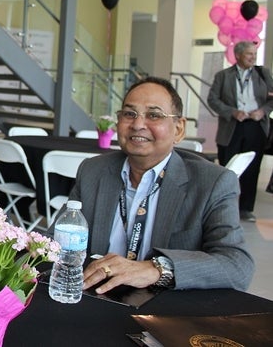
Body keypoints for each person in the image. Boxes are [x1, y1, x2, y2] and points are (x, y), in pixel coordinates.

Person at [70, 77, 253, 296]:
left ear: (178, 129)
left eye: (154, 115)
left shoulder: (213, 182)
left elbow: (238, 266)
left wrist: (157, 268)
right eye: (129, 114)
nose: (138, 124)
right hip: (97, 299)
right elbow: (58, 241)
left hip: (164, 310)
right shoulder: (93, 171)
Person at [207, 40, 273, 222]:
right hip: (232, 126)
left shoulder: (263, 74)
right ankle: (225, 207)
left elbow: (272, 98)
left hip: (255, 125)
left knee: (252, 168)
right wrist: (232, 112)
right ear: (238, 55)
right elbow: (213, 99)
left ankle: (245, 209)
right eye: (249, 54)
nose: (253, 57)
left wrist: (262, 111)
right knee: (228, 168)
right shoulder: (223, 76)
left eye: (254, 53)